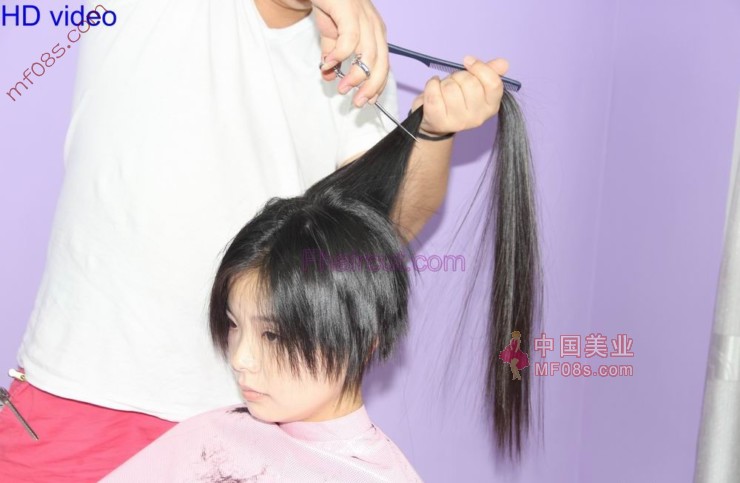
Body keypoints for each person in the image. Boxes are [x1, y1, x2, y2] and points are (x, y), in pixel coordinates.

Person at [0, 0, 510, 480]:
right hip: (81, 396)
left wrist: (433, 132)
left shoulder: (354, 54)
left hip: (258, 422)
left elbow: (372, 232)